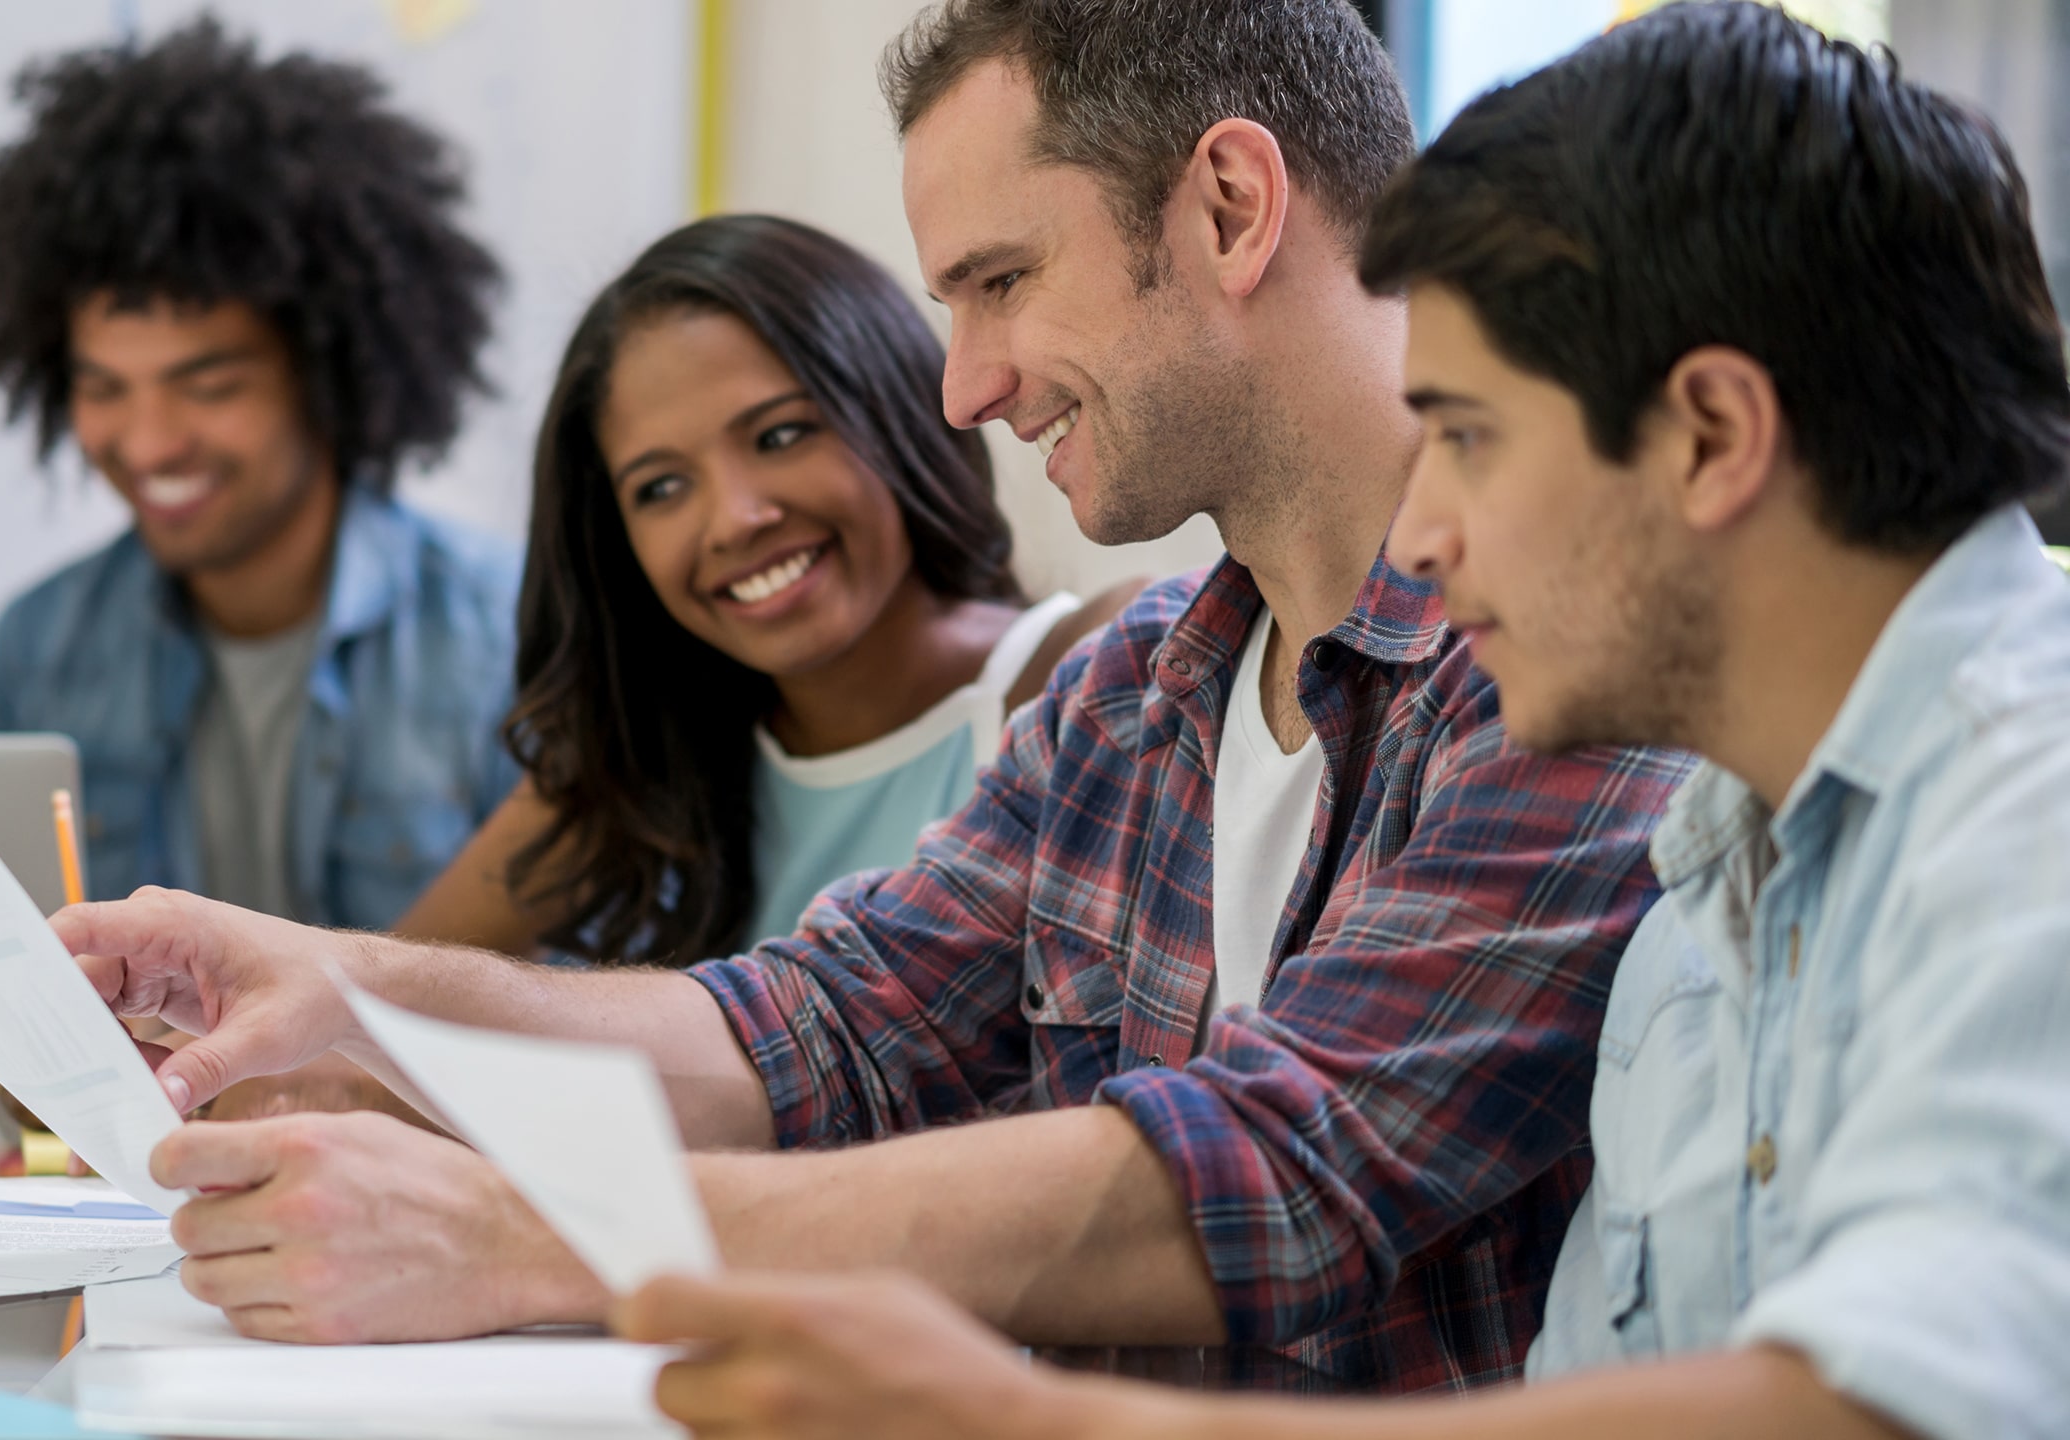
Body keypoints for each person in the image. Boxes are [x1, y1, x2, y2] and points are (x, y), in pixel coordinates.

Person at [55, 0, 1690, 1390]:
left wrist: (529, 1235)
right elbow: (815, 1028)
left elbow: (1280, 1173)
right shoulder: (1135, 698)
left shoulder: (1566, 664)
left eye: (1000, 282)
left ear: (1232, 207)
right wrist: (343, 987)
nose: (967, 384)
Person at [610, 6, 2070, 1437]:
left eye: (1474, 440)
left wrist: (1025, 1418)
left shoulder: (2025, 806)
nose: (1422, 533)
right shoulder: (1722, 862)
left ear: (1711, 436)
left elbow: (1886, 1402)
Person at [397, 213, 1130, 967]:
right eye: (662, 488)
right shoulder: (641, 768)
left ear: (896, 413)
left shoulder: (1089, 675)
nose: (734, 521)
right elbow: (358, 1019)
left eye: (780, 437)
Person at [0, 20, 522, 928]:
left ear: (329, 370)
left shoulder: (512, 643)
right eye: (104, 388)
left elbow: (583, 1009)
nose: (148, 444)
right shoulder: (33, 659)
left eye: (208, 385)